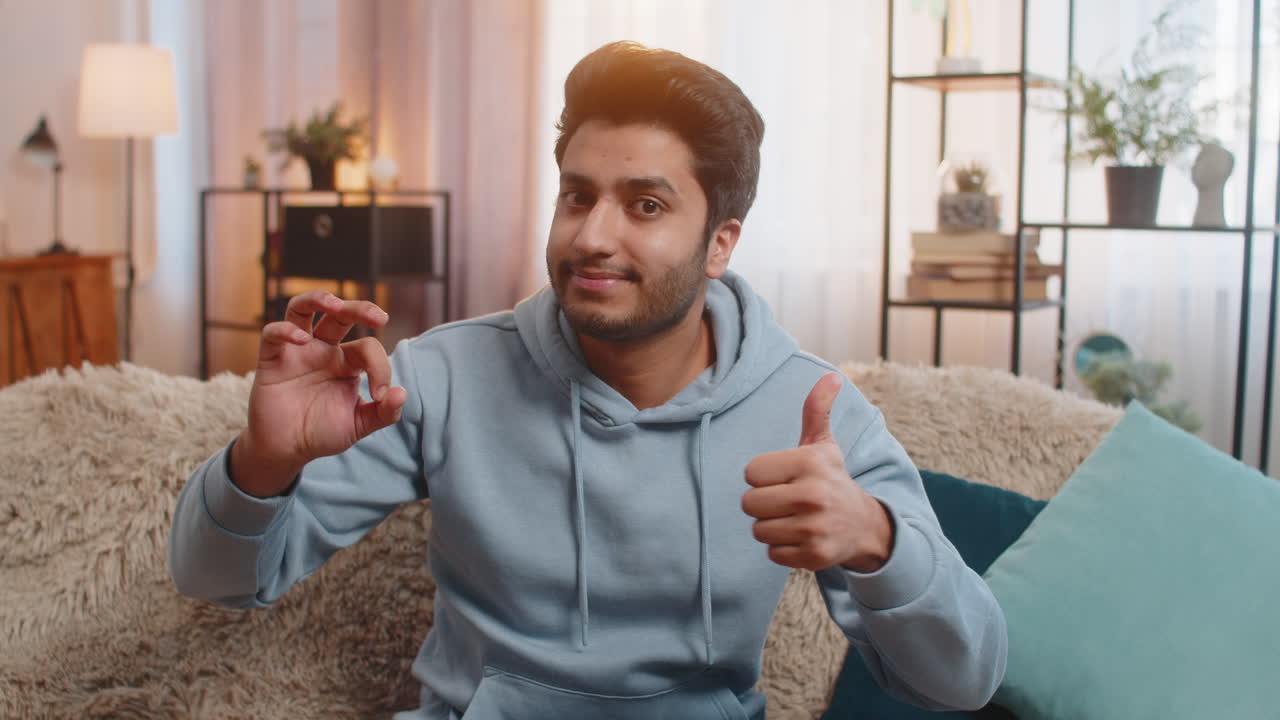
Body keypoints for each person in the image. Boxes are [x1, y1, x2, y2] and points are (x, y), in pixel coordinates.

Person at [170, 41, 1006, 719]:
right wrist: (263, 463)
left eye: (645, 205)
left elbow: (964, 678)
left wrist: (878, 541)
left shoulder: (812, 412)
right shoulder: (443, 375)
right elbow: (216, 580)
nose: (592, 236)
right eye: (578, 196)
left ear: (721, 243)